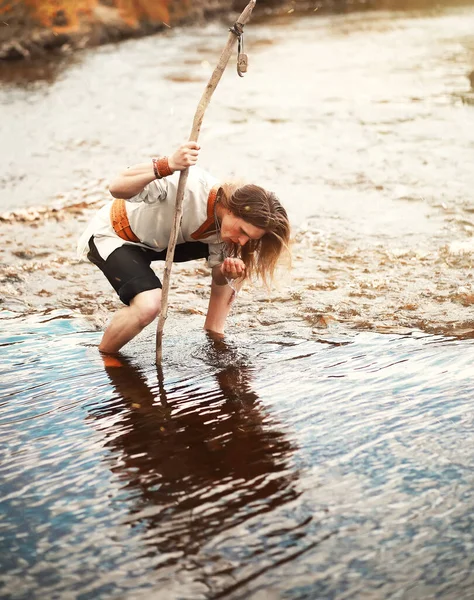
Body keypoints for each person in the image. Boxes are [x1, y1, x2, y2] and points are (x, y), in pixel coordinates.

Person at [77, 141, 290, 354]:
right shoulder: (187, 184)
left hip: (163, 241)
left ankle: (214, 332)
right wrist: (166, 165)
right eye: (243, 231)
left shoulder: (228, 231)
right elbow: (117, 186)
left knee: (240, 263)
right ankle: (106, 356)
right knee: (149, 306)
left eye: (249, 237)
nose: (243, 239)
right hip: (116, 235)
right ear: (233, 210)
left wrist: (226, 273)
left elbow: (219, 277)